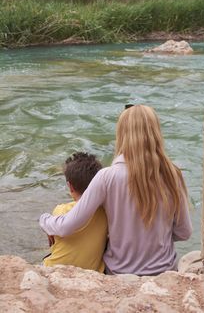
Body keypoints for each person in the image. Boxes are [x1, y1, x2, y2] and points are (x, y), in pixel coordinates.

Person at [40, 105, 192, 275]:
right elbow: (184, 232)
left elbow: (68, 226)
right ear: (156, 133)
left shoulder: (107, 177)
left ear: (121, 134)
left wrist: (45, 220)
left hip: (119, 273)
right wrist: (153, 238)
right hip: (164, 271)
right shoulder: (173, 174)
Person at [42, 152, 108, 273]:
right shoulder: (104, 211)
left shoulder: (61, 210)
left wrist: (45, 221)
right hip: (93, 273)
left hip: (55, 269)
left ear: (70, 186)